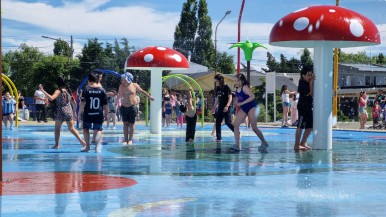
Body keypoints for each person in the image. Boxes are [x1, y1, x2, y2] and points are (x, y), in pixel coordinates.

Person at [39, 77, 86, 149]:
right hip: (69, 111)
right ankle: (82, 141)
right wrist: (74, 112)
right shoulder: (68, 92)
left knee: (57, 129)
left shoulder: (58, 91)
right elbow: (74, 103)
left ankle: (57, 145)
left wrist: (43, 90)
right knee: (72, 128)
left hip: (60, 111)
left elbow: (51, 98)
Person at [231, 74, 269, 151]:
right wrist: (236, 102)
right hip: (244, 108)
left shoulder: (245, 87)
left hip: (251, 107)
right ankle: (237, 145)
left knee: (254, 127)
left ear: (242, 80)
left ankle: (264, 142)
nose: (236, 82)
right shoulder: (237, 89)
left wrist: (241, 103)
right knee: (235, 124)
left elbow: (252, 96)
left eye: (238, 80)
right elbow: (239, 97)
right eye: (235, 81)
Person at [117, 72, 154, 145]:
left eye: (123, 78)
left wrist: (149, 97)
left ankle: (130, 140)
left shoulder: (134, 85)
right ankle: (125, 140)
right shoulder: (121, 86)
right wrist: (116, 101)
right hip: (123, 107)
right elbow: (119, 94)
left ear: (127, 78)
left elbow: (142, 91)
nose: (121, 79)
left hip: (132, 107)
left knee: (131, 124)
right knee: (125, 124)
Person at [80, 71, 108, 152]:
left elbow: (83, 102)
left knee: (86, 129)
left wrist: (79, 113)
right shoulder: (102, 90)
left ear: (89, 80)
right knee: (98, 130)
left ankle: (87, 147)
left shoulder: (86, 89)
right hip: (98, 113)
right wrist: (107, 113)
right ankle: (96, 147)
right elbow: (106, 104)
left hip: (88, 113)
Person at [294, 66, 315, 150]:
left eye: (311, 75)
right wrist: (311, 83)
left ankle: (303, 142)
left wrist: (311, 83)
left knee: (310, 126)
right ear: (303, 75)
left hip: (309, 106)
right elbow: (311, 94)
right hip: (303, 106)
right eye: (308, 75)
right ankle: (296, 145)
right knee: (300, 126)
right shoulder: (302, 83)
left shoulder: (307, 82)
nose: (309, 77)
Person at [212, 74, 234, 142]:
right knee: (218, 121)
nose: (216, 82)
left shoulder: (226, 87)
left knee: (228, 122)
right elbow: (218, 99)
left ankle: (237, 132)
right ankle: (219, 138)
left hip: (228, 107)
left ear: (220, 80)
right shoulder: (218, 88)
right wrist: (214, 107)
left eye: (217, 81)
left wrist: (227, 106)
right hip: (221, 107)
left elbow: (230, 97)